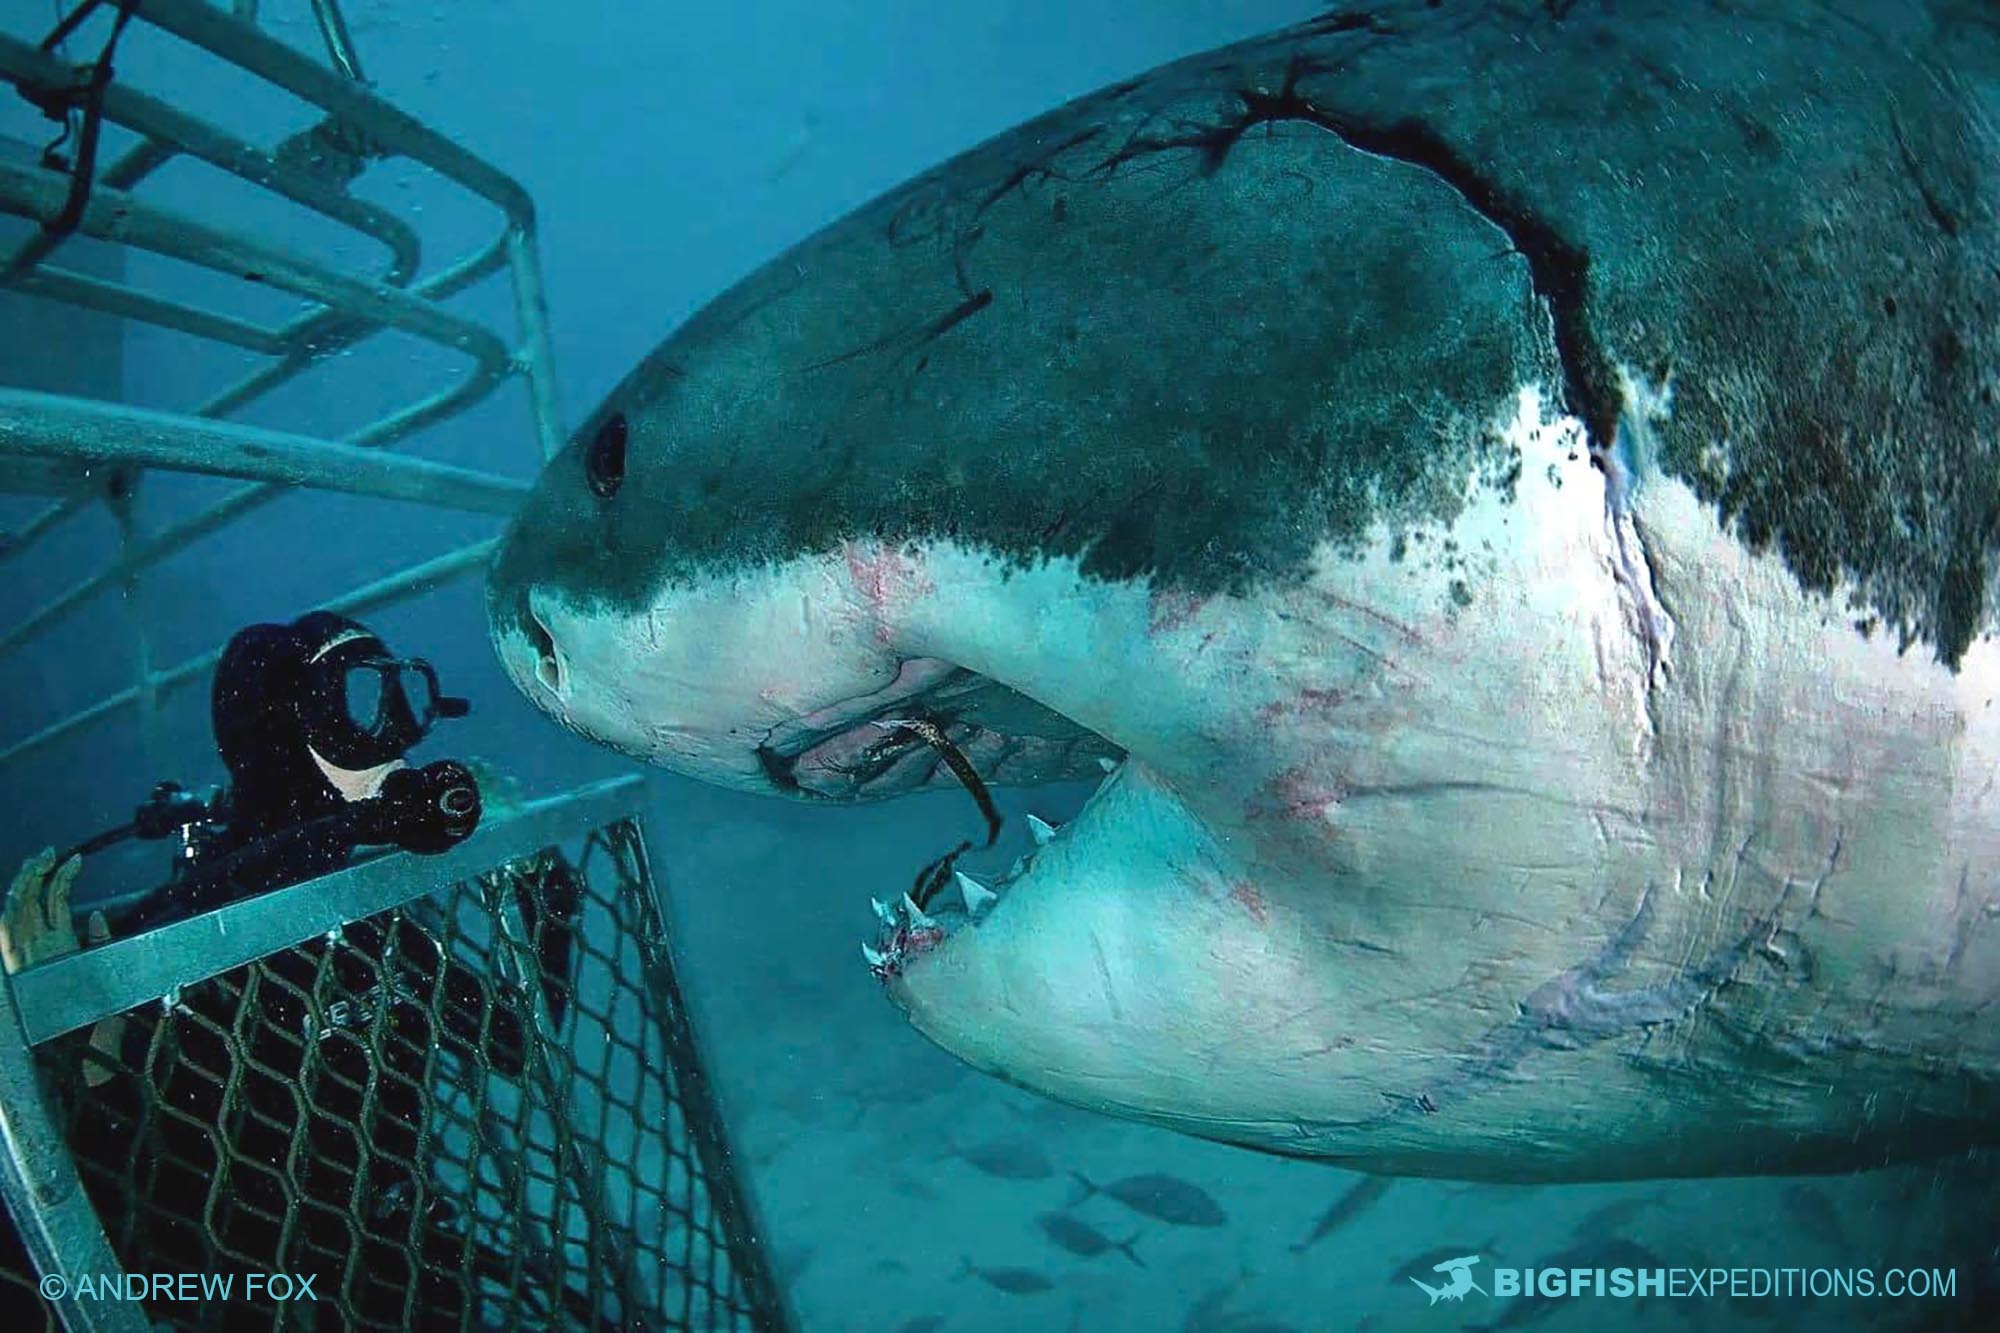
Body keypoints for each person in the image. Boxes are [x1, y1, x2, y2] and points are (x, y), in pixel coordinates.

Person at [0, 613, 587, 1328]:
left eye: (401, 698)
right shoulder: (177, 941)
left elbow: (513, 1042)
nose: (396, 737)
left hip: (407, 1260)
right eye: (356, 703)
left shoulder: (371, 913)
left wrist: (542, 883)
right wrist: (65, 1025)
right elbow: (132, 1225)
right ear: (280, 736)